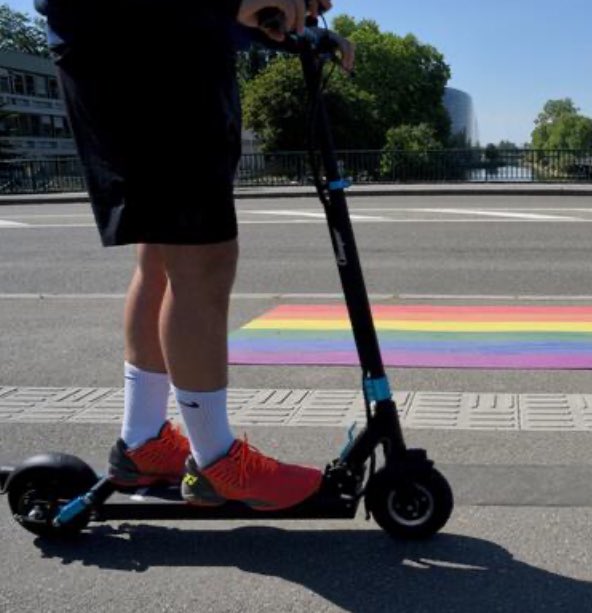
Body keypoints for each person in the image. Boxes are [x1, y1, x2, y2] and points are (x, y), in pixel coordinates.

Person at [36, 0, 355, 511]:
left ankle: (142, 442)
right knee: (201, 256)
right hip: (139, 45)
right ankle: (215, 462)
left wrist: (281, 19)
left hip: (158, 42)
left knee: (163, 254)